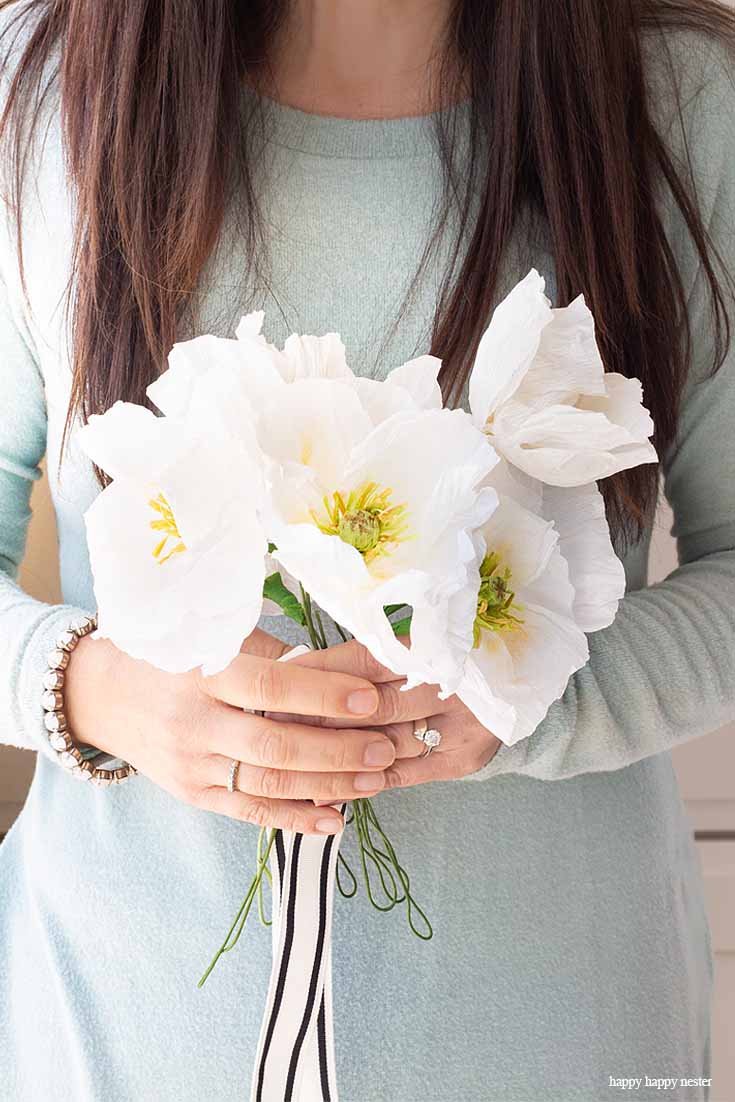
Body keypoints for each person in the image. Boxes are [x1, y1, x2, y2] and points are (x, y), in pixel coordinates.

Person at [0, 1, 733, 1099]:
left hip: (568, 1033)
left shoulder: (680, 102)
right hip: (112, 1035)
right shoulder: (38, 86)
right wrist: (93, 689)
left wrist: (539, 693)